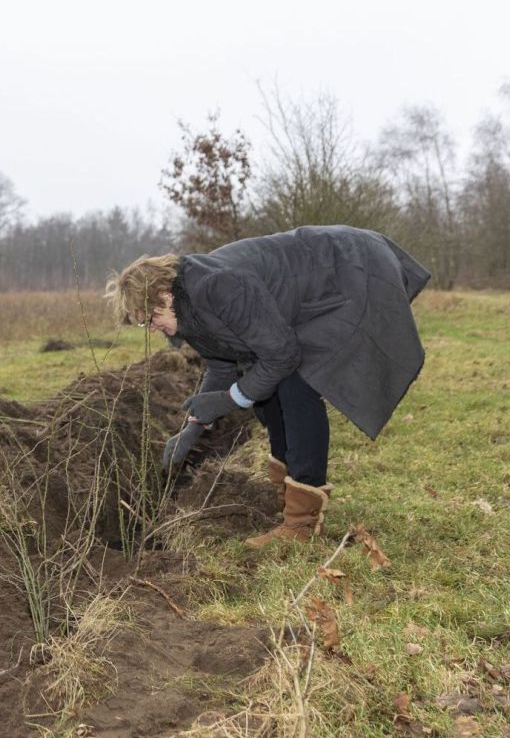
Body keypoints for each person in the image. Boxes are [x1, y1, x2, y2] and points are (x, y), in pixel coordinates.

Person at [106, 225, 430, 546]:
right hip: (318, 287)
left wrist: (232, 399)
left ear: (163, 294)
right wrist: (193, 427)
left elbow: (283, 355)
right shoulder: (189, 307)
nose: (150, 328)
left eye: (147, 318)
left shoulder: (218, 287)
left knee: (295, 382)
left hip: (349, 272)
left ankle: (301, 525)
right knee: (267, 390)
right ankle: (288, 493)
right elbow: (223, 363)